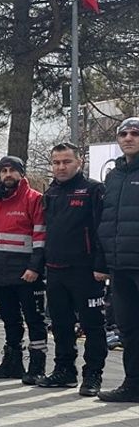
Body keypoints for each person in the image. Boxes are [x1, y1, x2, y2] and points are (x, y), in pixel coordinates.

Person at [39, 143, 109, 396]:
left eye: (66, 161)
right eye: (56, 162)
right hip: (56, 270)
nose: (61, 167)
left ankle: (93, 376)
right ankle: (65, 371)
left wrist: (101, 265)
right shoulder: (51, 193)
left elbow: (102, 229)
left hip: (86, 271)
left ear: (79, 162)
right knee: (60, 324)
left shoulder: (93, 190)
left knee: (92, 325)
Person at [0, 156, 46, 382]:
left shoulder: (34, 199)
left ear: (21, 173)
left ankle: (37, 365)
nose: (8, 175)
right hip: (0, 272)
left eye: (12, 171)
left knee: (34, 320)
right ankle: (13, 362)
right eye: (4, 171)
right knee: (10, 320)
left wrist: (35, 268)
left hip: (26, 273)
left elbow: (40, 237)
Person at [96, 116, 139, 403]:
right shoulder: (114, 176)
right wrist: (102, 263)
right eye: (124, 133)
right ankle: (133, 384)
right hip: (119, 267)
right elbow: (105, 221)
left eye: (135, 133)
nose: (129, 137)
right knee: (128, 328)